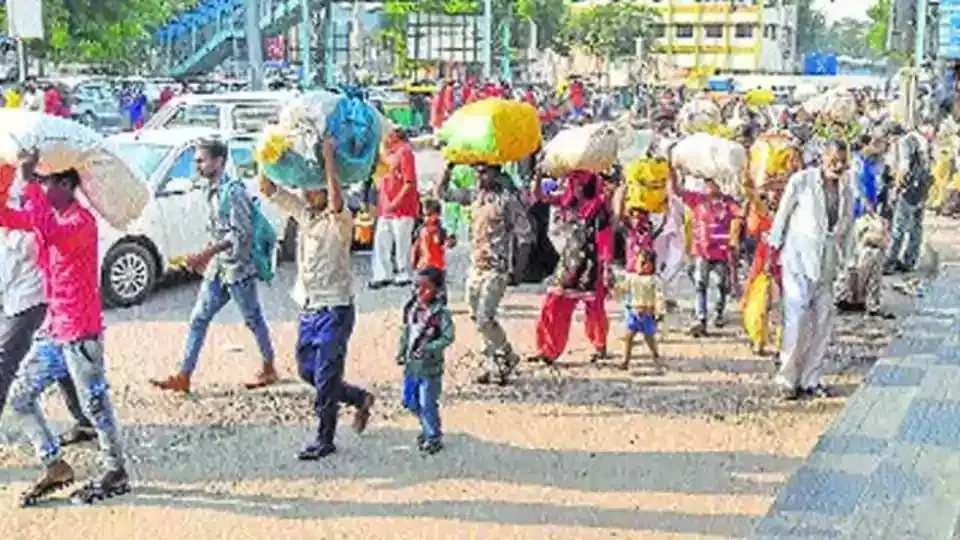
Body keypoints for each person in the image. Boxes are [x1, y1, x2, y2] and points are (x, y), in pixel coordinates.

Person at [1, 155, 128, 506]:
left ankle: (115, 470)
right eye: (41, 182)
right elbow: (8, 218)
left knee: (95, 405)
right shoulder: (53, 217)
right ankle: (54, 464)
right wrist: (8, 180)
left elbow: (48, 231)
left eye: (48, 182)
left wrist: (29, 183)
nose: (43, 188)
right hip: (55, 329)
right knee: (20, 398)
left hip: (81, 334)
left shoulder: (80, 222)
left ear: (67, 185)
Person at [258, 138, 376, 460]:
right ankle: (359, 398)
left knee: (325, 377)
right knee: (307, 372)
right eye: (306, 190)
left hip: (336, 309)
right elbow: (268, 189)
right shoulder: (305, 215)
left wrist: (329, 158)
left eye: (315, 191)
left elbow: (336, 200)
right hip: (310, 307)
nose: (308, 195)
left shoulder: (340, 220)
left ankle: (325, 439)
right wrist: (265, 153)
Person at [151, 138, 277, 394]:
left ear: (218, 162)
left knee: (253, 319)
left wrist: (206, 254)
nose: (197, 166)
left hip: (238, 270)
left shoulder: (234, 192)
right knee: (198, 319)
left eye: (201, 160)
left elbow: (239, 235)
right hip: (219, 267)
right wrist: (206, 257)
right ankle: (184, 375)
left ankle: (269, 366)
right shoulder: (211, 190)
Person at [0, 165, 95, 447]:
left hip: (36, 298)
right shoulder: (23, 195)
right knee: (60, 363)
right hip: (23, 295)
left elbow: (38, 239)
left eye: (45, 182)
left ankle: (95, 444)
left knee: (6, 363)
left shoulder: (70, 217)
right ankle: (85, 420)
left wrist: (28, 187)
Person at [768, 140, 855, 400]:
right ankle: (787, 379)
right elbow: (782, 215)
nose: (837, 166)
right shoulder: (802, 181)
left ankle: (811, 379)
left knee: (822, 324)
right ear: (822, 158)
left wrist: (848, 263)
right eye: (833, 160)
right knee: (796, 322)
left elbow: (847, 229)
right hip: (798, 261)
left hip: (827, 266)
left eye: (842, 161)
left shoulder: (847, 190)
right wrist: (773, 248)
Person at [436, 162, 534, 385]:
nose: (480, 176)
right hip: (476, 266)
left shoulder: (507, 201)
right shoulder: (475, 196)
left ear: (496, 173)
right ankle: (495, 361)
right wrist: (449, 166)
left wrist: (518, 270)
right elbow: (442, 193)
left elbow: (525, 236)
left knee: (484, 317)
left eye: (484, 172)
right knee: (475, 315)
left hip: (496, 268)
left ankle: (505, 356)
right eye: (477, 172)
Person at [528, 171, 612, 366]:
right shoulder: (568, 202)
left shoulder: (599, 206)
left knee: (595, 309)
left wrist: (607, 268)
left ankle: (600, 346)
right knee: (553, 303)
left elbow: (605, 238)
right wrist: (538, 175)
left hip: (592, 264)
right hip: (569, 261)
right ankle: (547, 350)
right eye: (573, 183)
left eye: (579, 184)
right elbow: (540, 196)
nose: (575, 187)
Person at [669, 167, 742, 337]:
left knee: (721, 286)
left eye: (713, 183)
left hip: (722, 253)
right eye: (707, 183)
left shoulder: (728, 203)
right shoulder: (697, 200)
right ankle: (701, 318)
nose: (709, 186)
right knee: (700, 285)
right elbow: (676, 190)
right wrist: (671, 170)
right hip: (702, 253)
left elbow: (741, 213)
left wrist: (750, 192)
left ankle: (718, 313)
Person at [397, 267, 454, 455]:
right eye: (416, 287)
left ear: (437, 291)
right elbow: (406, 332)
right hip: (411, 365)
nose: (419, 292)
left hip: (430, 368)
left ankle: (433, 436)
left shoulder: (440, 315)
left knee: (427, 402)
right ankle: (426, 426)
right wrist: (401, 351)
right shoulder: (411, 309)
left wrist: (430, 347)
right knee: (409, 400)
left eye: (426, 288)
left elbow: (448, 337)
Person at [370, 128, 419, 289]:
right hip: (385, 207)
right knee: (382, 240)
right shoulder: (385, 153)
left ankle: (403, 272)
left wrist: (396, 202)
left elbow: (409, 182)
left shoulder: (405, 152)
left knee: (402, 242)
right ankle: (383, 273)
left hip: (403, 208)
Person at [884, 123, 932, 274]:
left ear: (893, 135)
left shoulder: (904, 142)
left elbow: (904, 168)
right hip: (921, 189)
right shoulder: (919, 139)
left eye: (890, 138)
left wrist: (896, 188)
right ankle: (910, 260)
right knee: (916, 226)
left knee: (898, 227)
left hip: (909, 191)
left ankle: (889, 262)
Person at [616, 251, 664, 372]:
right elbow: (623, 288)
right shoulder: (632, 278)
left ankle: (655, 355)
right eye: (638, 263)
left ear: (651, 265)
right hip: (634, 312)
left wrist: (659, 311)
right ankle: (625, 361)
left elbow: (659, 297)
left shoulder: (654, 280)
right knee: (628, 337)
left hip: (648, 314)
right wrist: (616, 288)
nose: (640, 266)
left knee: (649, 338)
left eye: (643, 263)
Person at [411, 198, 453, 302]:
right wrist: (414, 263)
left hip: (437, 266)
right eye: (424, 215)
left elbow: (446, 242)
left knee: (440, 291)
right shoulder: (420, 230)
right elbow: (415, 248)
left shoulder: (440, 230)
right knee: (421, 288)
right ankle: (420, 300)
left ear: (437, 215)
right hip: (424, 266)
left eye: (429, 215)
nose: (426, 218)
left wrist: (450, 242)